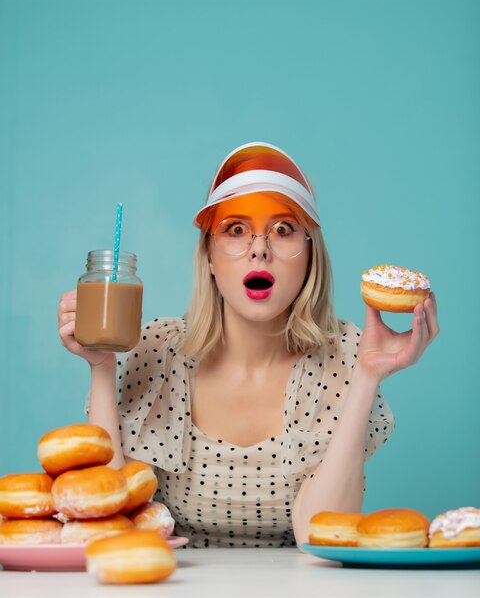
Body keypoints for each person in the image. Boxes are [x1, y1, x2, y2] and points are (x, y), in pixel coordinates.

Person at [58, 142, 439, 548]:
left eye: (283, 229)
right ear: (208, 255)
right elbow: (112, 522)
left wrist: (366, 376)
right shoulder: (155, 351)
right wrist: (101, 368)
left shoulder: (343, 357)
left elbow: (321, 535)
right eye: (236, 230)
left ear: (310, 256)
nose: (260, 248)